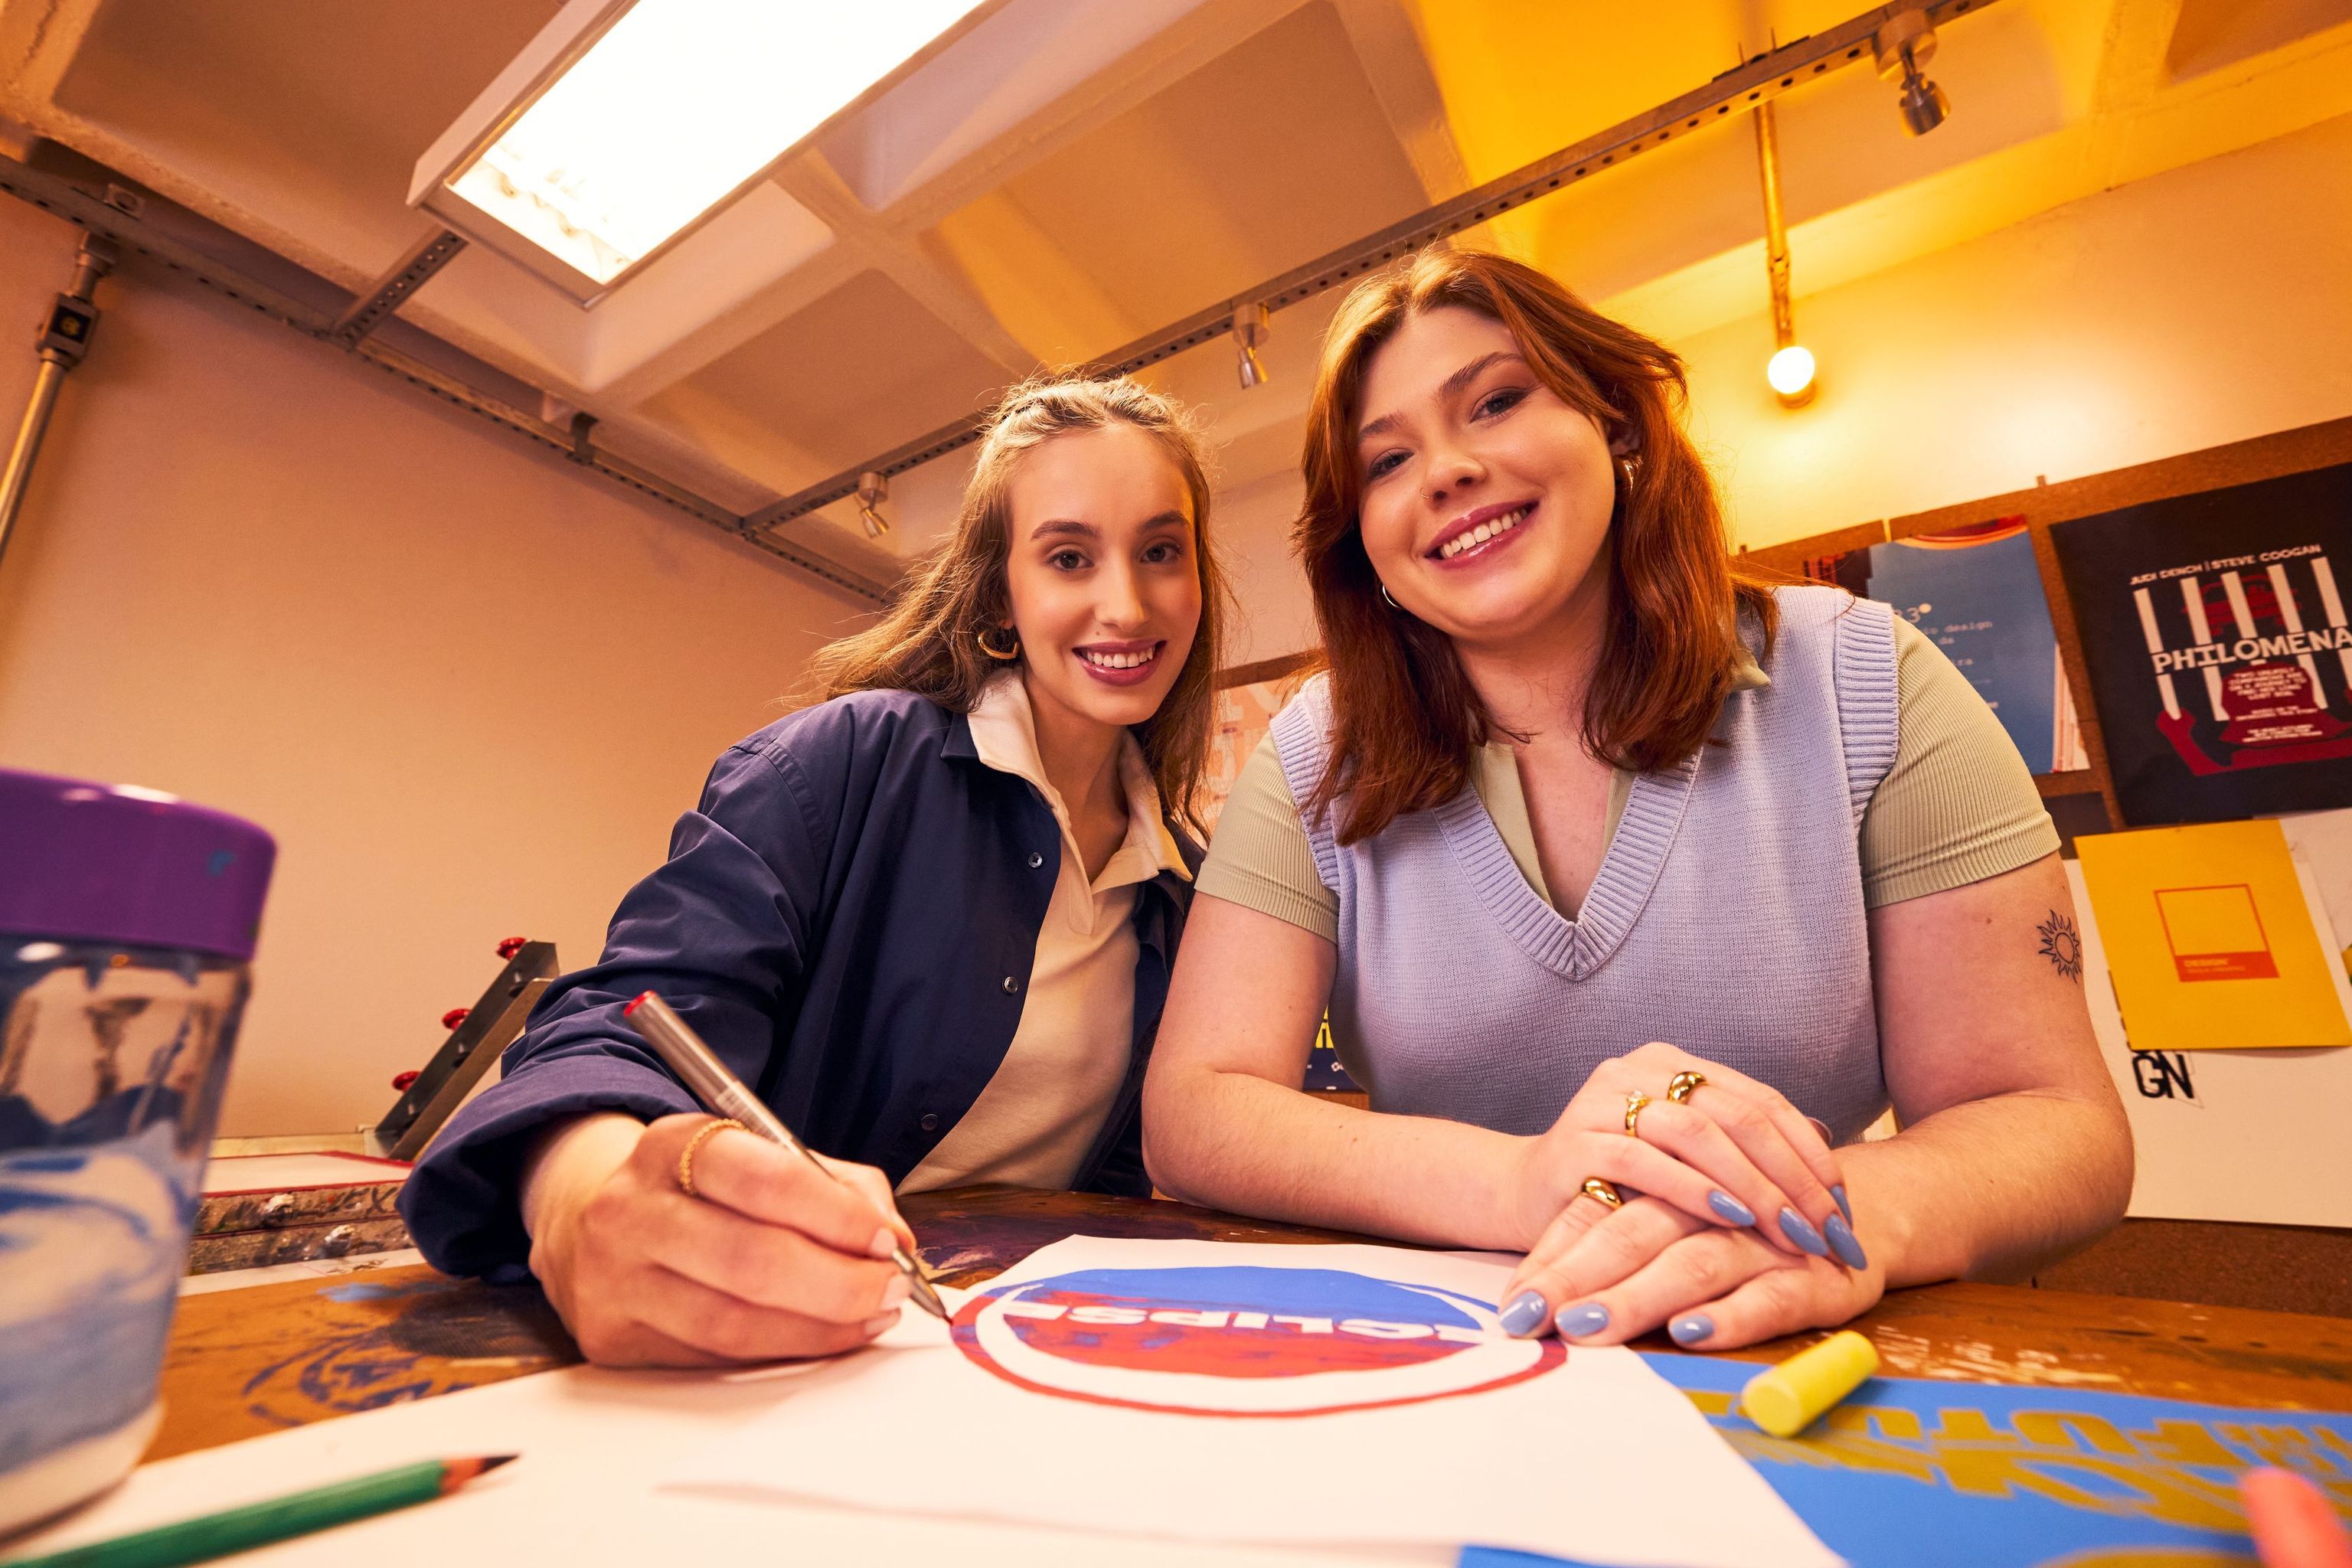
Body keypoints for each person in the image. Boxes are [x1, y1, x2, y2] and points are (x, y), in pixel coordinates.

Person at [1142, 248, 2132, 1351]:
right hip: (1469, 1347)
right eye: (1388, 461)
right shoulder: (1312, 756)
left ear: (1615, 422)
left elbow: (2051, 1123)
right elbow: (1195, 1111)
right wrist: (1522, 1182)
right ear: (1362, 543)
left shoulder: (1866, 680)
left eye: (1497, 401)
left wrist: (1819, 1219)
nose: (1447, 472)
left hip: (1789, 1335)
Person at [400, 375, 1225, 1367]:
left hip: (1008, 1360)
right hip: (780, 1354)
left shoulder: (1185, 888)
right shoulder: (837, 764)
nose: (1126, 604)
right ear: (1001, 596)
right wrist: (583, 1193)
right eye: (1068, 557)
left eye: (1161, 551)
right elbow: (608, 1028)